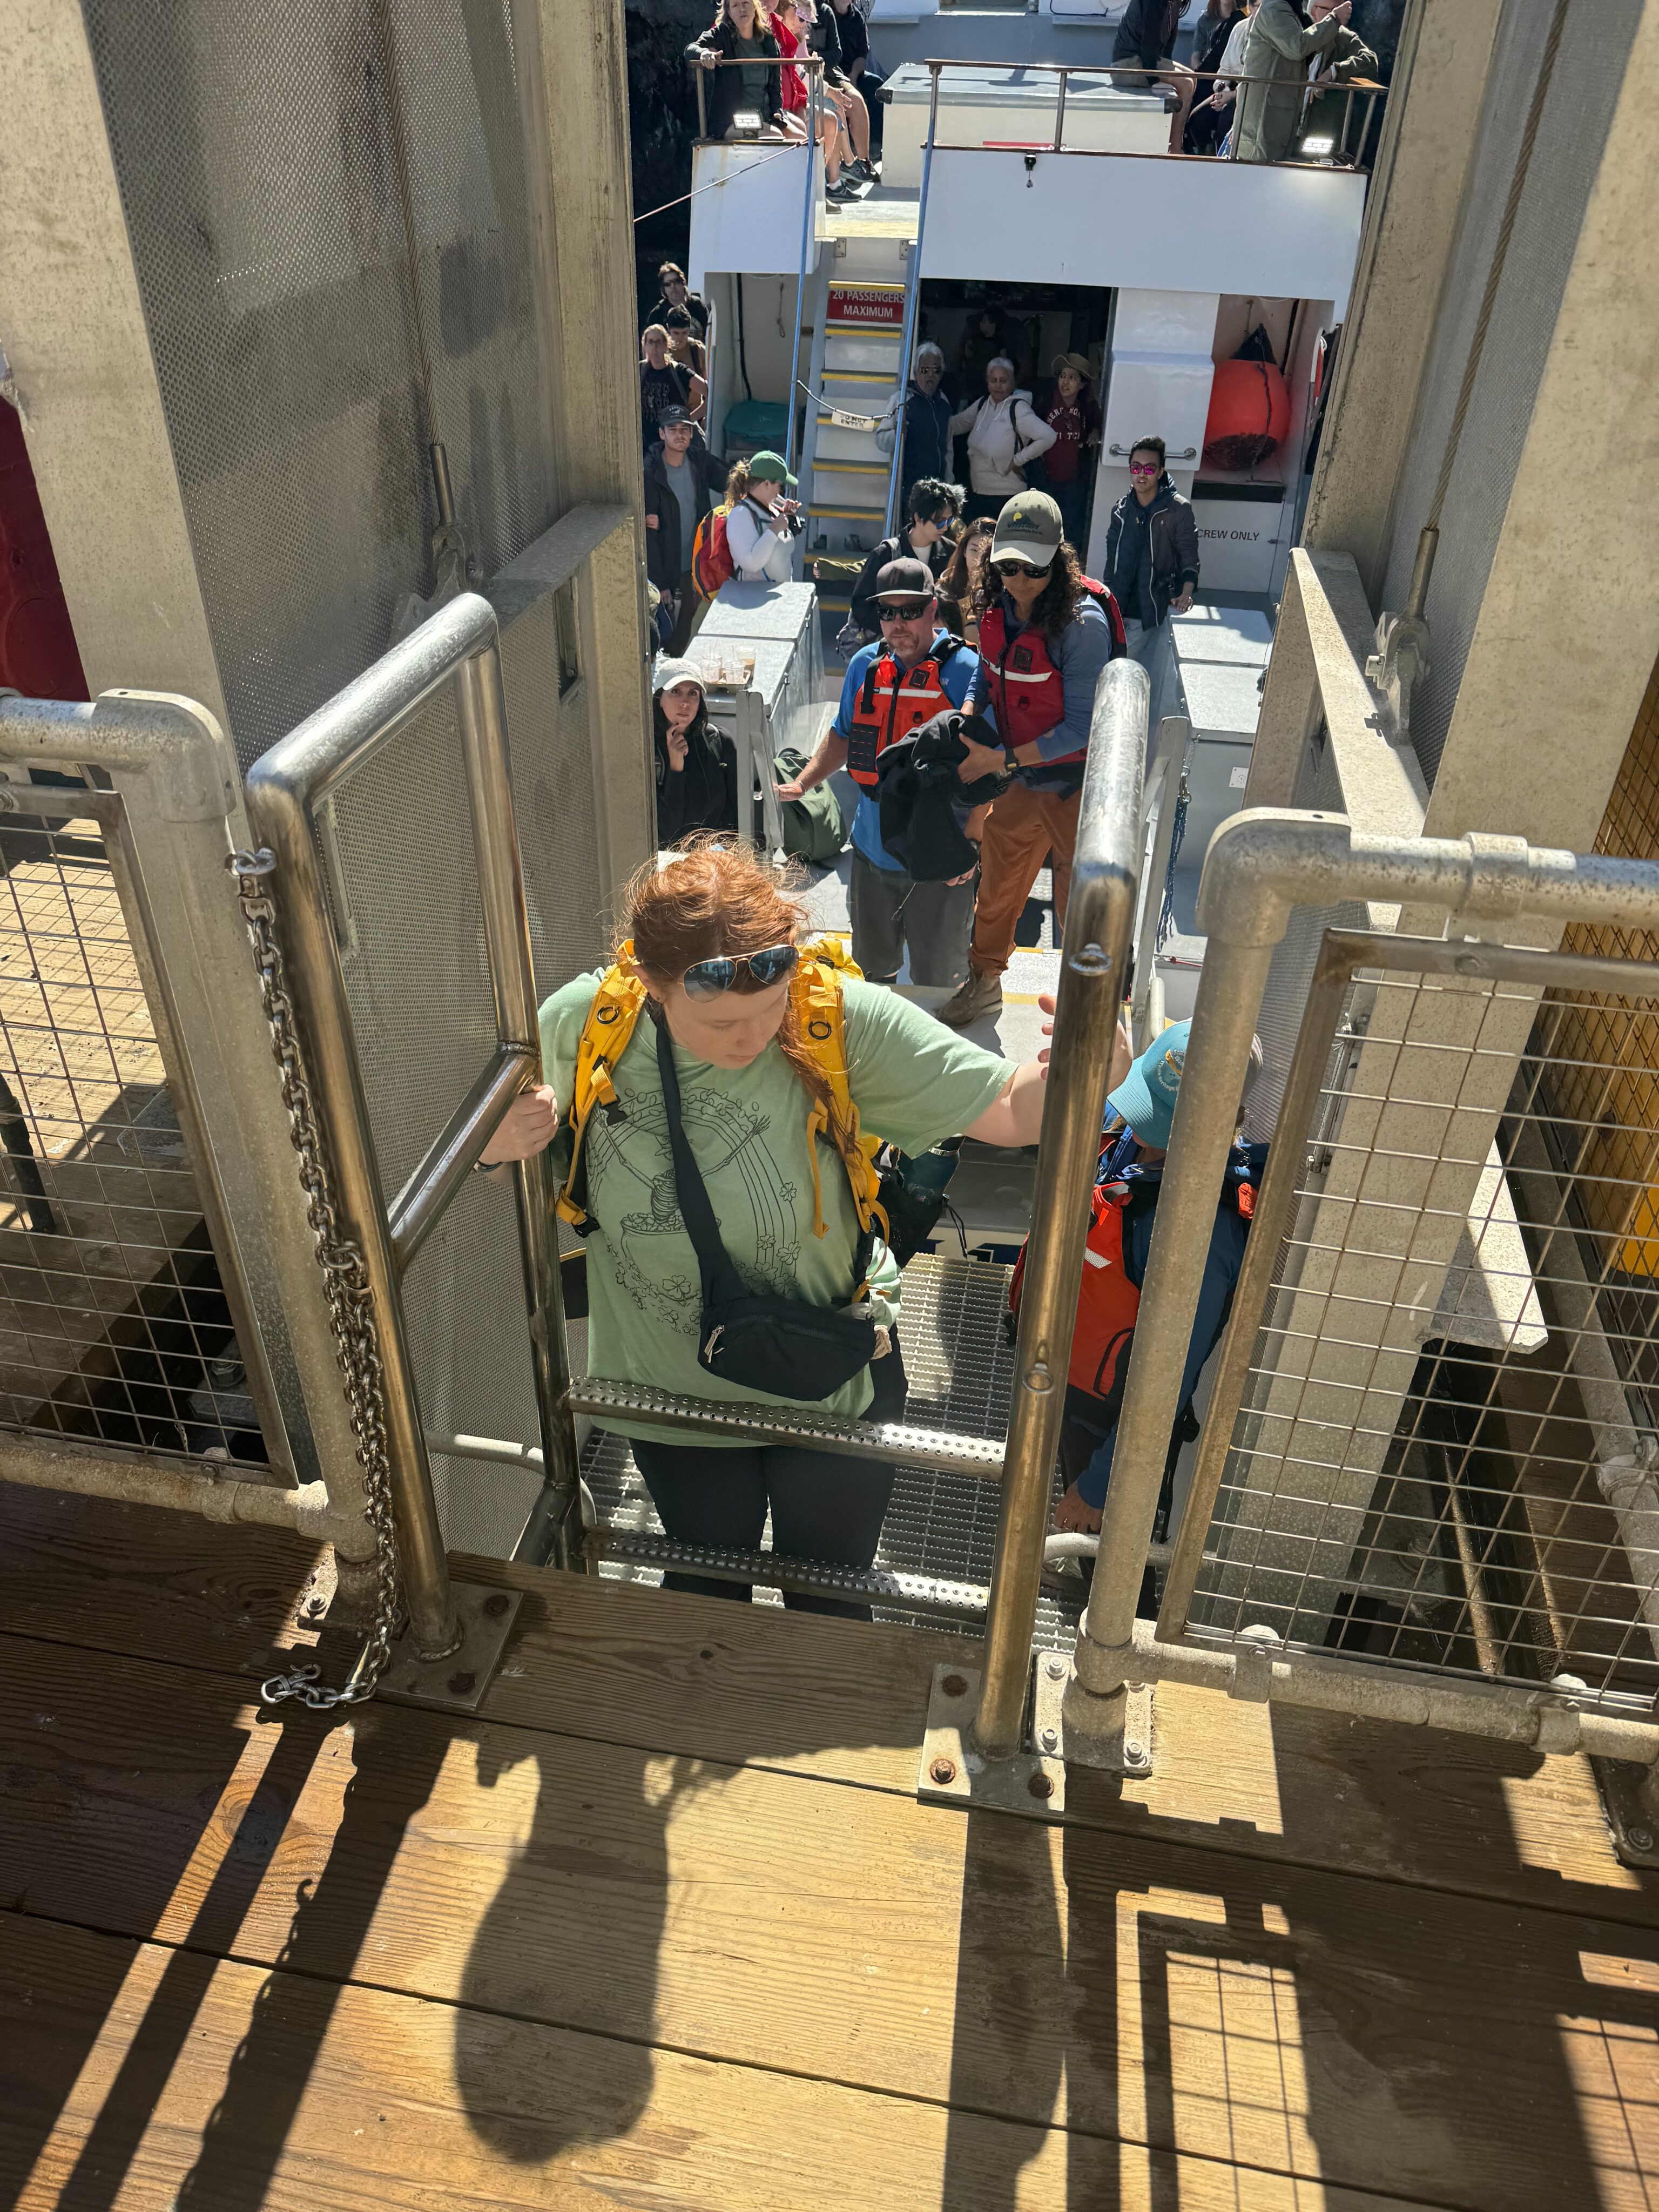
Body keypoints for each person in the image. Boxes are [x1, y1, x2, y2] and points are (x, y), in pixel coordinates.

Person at [483, 839, 1055, 1616]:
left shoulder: (834, 1017)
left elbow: (1014, 1109)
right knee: (703, 1584)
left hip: (834, 1382)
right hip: (671, 1397)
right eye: (717, 1024)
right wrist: (493, 1146)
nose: (749, 1039)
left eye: (766, 1011)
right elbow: (519, 1138)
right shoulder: (583, 1027)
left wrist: (1090, 1068)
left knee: (832, 1591)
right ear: (648, 981)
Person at [1048, 1022, 1265, 1540]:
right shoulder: (1134, 1141)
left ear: (1223, 1125)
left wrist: (1101, 1487)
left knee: (1104, 1564)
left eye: (1165, 1122)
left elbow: (1167, 1382)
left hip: (1114, 1429)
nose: (1139, 1123)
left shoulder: (1200, 1235)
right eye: (1143, 1102)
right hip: (1074, 1387)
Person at [936, 490, 1123, 1030]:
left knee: (1080, 902)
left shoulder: (1083, 625)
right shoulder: (996, 603)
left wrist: (1003, 760)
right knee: (996, 888)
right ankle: (985, 981)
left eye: (1032, 568)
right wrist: (971, 711)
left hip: (1076, 785)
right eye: (1008, 565)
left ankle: (1085, 1006)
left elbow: (1082, 726)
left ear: (1057, 560)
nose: (1018, 579)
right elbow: (986, 669)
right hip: (1020, 776)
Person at [777, 556, 980, 988]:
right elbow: (843, 736)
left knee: (937, 980)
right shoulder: (865, 666)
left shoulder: (967, 672)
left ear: (932, 611)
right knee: (871, 972)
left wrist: (973, 839)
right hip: (872, 850)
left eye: (909, 611)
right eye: (887, 613)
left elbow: (989, 767)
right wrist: (803, 783)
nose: (897, 623)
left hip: (940, 851)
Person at [1102, 434, 1199, 735]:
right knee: (1116, 668)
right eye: (1135, 468)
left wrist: (1186, 592)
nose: (1141, 475)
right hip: (1118, 606)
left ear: (1160, 471)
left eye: (1148, 469)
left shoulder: (1177, 509)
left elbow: (1189, 556)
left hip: (1152, 608)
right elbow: (1112, 559)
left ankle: (1123, 733)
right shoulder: (1121, 509)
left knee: (1130, 674)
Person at [644, 407, 727, 655]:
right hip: (666, 573)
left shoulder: (699, 462)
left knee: (690, 636)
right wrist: (660, 585)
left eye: (685, 429)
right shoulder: (650, 473)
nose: (680, 435)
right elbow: (647, 534)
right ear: (661, 434)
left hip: (696, 568)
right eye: (673, 430)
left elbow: (733, 479)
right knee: (668, 641)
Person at [1233, 0, 1357, 164]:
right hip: (1262, 123)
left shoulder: (1293, 12)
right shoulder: (1274, 10)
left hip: (1279, 118)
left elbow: (1310, 47)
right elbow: (1297, 47)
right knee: (1259, 173)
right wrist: (1334, 19)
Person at [847, 478, 962, 639]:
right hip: (892, 643)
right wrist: (895, 629)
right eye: (939, 521)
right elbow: (862, 605)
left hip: (938, 643)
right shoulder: (885, 555)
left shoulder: (952, 553)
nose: (945, 527)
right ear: (918, 518)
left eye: (949, 521)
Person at [949, 359, 1056, 523]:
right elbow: (956, 425)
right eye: (993, 381)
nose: (998, 386)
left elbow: (1048, 436)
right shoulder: (984, 404)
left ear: (1012, 382)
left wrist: (1018, 460)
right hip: (978, 494)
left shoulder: (1019, 409)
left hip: (1007, 498)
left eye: (1003, 381)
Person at [652, 659, 737, 844]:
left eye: (693, 694)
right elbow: (668, 834)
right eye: (676, 692)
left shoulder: (718, 741)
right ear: (659, 699)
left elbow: (738, 814)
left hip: (716, 860)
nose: (685, 703)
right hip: (669, 863)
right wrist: (676, 770)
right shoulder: (646, 752)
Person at [773, 0, 851, 198]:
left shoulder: (797, 38)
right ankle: (820, 183)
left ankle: (818, 183)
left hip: (797, 104)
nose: (805, 25)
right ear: (786, 10)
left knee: (831, 119)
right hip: (778, 109)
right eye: (801, 19)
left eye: (807, 21)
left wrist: (828, 89)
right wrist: (829, 91)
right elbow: (801, 77)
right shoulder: (775, 34)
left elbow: (802, 75)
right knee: (824, 118)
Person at [686, 0, 787, 143]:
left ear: (755, 6)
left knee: (802, 138)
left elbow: (776, 86)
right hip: (735, 121)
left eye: (746, 3)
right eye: (736, 5)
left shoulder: (768, 40)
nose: (742, 9)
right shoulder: (722, 34)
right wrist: (704, 53)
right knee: (776, 137)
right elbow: (690, 50)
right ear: (729, 11)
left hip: (764, 117)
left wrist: (777, 113)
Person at [1110, 0, 1196, 154]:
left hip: (1145, 61)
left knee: (1192, 77)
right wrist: (1154, 80)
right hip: (1127, 65)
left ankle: (1175, 141)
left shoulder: (1175, 3)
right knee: (1185, 84)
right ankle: (1175, 149)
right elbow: (1149, 42)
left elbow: (1167, 47)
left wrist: (1167, 75)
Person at [876, 344, 955, 510]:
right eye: (925, 370)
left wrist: (949, 483)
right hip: (910, 490)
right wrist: (897, 433)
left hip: (938, 489)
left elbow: (948, 448)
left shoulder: (945, 403)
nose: (931, 375)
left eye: (936, 370)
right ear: (916, 372)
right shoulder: (902, 400)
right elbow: (881, 440)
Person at [802, 0, 874, 181]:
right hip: (804, 75)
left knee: (855, 100)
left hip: (829, 72)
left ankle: (863, 162)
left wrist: (817, 59)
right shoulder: (789, 11)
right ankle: (840, 170)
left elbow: (836, 54)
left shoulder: (825, 12)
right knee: (835, 106)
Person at [1037, 354, 1102, 552]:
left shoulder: (1088, 407)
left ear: (1082, 385)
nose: (1065, 382)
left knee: (1071, 526)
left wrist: (1095, 432)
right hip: (1046, 475)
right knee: (1044, 524)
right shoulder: (1045, 402)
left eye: (1072, 378)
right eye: (1063, 376)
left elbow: (1097, 425)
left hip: (1074, 479)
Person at [724, 450, 804, 583]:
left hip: (779, 597)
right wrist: (774, 530)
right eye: (780, 486)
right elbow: (751, 564)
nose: (780, 492)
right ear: (766, 484)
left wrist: (788, 519)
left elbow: (779, 553)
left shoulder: (774, 509)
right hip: (753, 599)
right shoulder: (740, 515)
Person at [1184, 0, 1246, 154]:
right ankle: (1204, 150)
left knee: (1225, 121)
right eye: (1253, 4)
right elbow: (1224, 65)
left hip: (1244, 89)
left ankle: (1218, 155)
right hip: (1219, 81)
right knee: (1197, 118)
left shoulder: (1241, 21)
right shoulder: (1237, 26)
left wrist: (1229, 95)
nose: (1255, 8)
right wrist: (1222, 87)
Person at [639, 326, 703, 452]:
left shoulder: (679, 372)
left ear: (666, 345)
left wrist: (689, 420)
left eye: (658, 342)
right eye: (651, 342)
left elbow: (709, 392)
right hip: (648, 446)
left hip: (676, 445)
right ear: (645, 346)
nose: (655, 347)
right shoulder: (640, 371)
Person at [935, 512, 994, 644]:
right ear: (964, 551)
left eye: (986, 553)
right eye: (974, 550)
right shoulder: (944, 589)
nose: (979, 559)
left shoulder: (1000, 591)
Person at [955, 306, 1021, 408]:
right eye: (981, 322)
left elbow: (1003, 360)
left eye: (985, 322)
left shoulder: (999, 342)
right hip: (972, 375)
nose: (981, 324)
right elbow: (969, 355)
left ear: (994, 324)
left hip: (986, 378)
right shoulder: (976, 338)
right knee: (965, 398)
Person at [648, 262, 710, 340]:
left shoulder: (698, 307)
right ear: (664, 289)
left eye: (676, 281)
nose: (673, 286)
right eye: (668, 284)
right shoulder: (657, 314)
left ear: (683, 283)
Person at [664, 307, 707, 388]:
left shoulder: (698, 350)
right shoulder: (662, 350)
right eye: (676, 333)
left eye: (685, 332)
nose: (680, 338)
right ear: (668, 329)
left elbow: (710, 384)